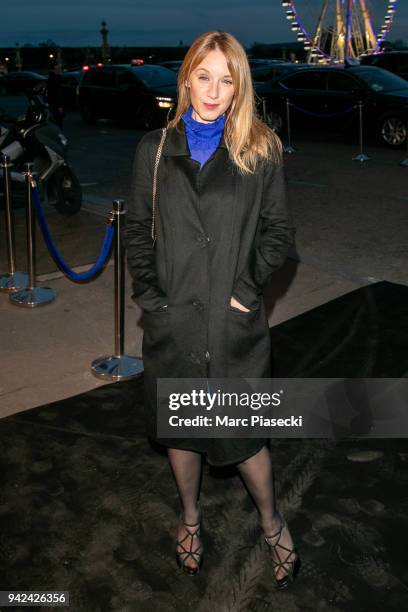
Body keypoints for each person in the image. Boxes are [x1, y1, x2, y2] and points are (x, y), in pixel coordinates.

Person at [124, 30, 300, 588]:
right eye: (204, 76)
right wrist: (153, 300)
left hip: (232, 324)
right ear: (186, 78)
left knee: (245, 435)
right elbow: (136, 231)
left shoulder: (260, 148)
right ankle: (191, 519)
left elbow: (279, 234)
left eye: (227, 79)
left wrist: (246, 292)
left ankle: (272, 522)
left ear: (239, 86)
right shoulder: (153, 149)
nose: (213, 90)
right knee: (183, 429)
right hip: (175, 320)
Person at [46, 61, 65, 129]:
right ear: (53, 70)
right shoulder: (54, 79)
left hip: (54, 104)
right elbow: (56, 93)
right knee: (58, 122)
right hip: (56, 104)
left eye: (60, 68)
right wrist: (59, 105)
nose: (60, 70)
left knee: (58, 121)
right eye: (58, 69)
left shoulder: (55, 78)